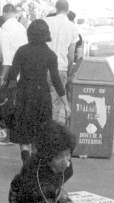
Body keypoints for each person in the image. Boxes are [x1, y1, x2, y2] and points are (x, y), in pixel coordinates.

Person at [7, 19, 70, 164]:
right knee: (40, 131)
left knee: (24, 130)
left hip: (24, 94)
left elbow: (12, 74)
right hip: (42, 96)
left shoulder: (22, 51)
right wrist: (66, 104)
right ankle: (35, 162)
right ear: (46, 34)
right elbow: (56, 81)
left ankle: (25, 158)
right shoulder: (50, 55)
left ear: (29, 33)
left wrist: (10, 91)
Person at [0, 3, 27, 145]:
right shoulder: (21, 28)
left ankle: (2, 134)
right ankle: (4, 134)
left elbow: (7, 59)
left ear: (3, 13)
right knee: (9, 103)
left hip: (6, 70)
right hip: (18, 70)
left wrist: (2, 78)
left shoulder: (3, 32)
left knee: (0, 102)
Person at [45, 0, 79, 125]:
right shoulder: (73, 27)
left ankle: (39, 131)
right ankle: (50, 133)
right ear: (68, 10)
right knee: (56, 103)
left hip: (43, 66)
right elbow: (71, 54)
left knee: (42, 100)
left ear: (56, 8)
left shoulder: (46, 22)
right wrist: (69, 69)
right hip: (61, 68)